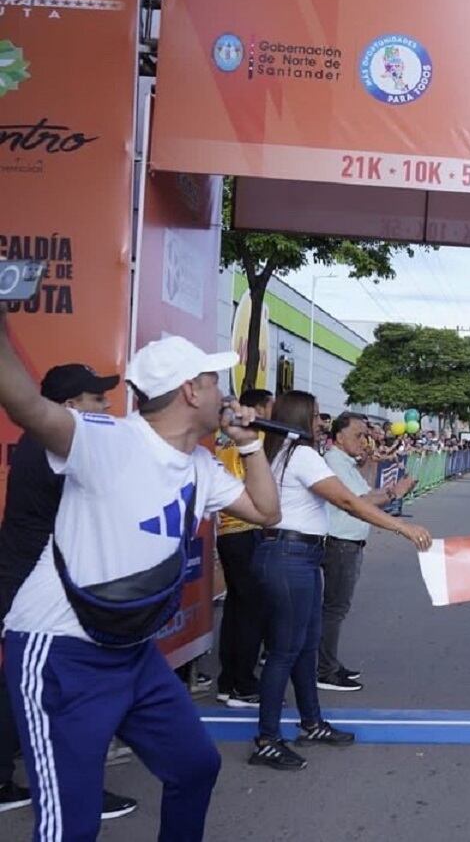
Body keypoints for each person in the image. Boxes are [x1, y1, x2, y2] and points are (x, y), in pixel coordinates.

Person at [0, 329, 283, 840]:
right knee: (71, 823)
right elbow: (26, 405)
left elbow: (267, 511)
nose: (226, 396)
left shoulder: (200, 465)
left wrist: (250, 444)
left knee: (195, 767)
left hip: (133, 654)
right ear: (191, 391)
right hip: (62, 651)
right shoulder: (108, 440)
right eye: (215, 383)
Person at [251, 391, 432, 771]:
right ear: (300, 418)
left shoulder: (286, 454)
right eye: (316, 417)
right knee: (285, 651)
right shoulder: (300, 455)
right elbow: (348, 501)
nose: (322, 423)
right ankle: (267, 739)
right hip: (290, 557)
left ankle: (311, 722)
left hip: (300, 556)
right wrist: (401, 527)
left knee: (305, 647)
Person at [0, 364, 140, 822]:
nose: (106, 406)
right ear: (69, 407)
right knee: (70, 693)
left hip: (30, 576)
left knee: (25, 686)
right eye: (96, 399)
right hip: (44, 586)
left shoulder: (39, 443)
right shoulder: (59, 448)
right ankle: (75, 792)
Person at [318, 412, 416, 693]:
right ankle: (325, 669)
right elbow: (359, 502)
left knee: (336, 608)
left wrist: (372, 463)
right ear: (338, 437)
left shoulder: (345, 463)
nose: (364, 441)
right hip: (339, 541)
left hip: (348, 541)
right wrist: (396, 491)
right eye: (358, 436)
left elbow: (366, 493)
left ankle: (329, 664)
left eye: (366, 435)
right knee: (334, 609)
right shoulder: (334, 462)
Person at [214, 387, 275, 710]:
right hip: (243, 527)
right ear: (256, 409)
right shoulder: (246, 441)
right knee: (250, 611)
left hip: (230, 530)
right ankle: (242, 685)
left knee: (238, 611)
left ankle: (230, 681)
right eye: (269, 408)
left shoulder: (227, 439)